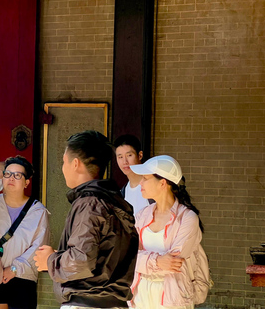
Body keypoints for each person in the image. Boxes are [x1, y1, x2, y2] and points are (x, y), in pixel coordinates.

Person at [34, 130, 138, 309]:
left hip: (86, 303)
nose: (62, 167)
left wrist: (50, 260)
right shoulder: (115, 202)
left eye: (64, 161)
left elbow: (80, 261)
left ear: (75, 164)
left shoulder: (89, 204)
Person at [128, 155, 205, 309]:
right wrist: (157, 261)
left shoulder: (187, 218)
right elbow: (125, 256)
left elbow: (173, 262)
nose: (140, 182)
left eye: (146, 178)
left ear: (163, 183)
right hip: (140, 295)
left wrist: (140, 261)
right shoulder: (142, 215)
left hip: (173, 297)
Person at [0, 155, 49, 309]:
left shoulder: (38, 211)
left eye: (17, 175)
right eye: (7, 174)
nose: (11, 178)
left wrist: (15, 269)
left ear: (26, 182)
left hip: (23, 276)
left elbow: (39, 245)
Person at [113, 134, 152, 216]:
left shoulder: (153, 186)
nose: (125, 162)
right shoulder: (122, 194)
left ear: (140, 155)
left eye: (129, 155)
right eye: (120, 157)